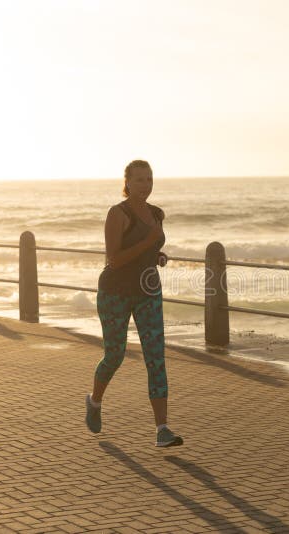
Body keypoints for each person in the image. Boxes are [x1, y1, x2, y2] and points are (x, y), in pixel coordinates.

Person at [85, 159, 183, 447]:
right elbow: (114, 259)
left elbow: (148, 248)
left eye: (149, 179)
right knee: (114, 355)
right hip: (115, 292)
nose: (146, 184)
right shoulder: (118, 213)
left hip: (148, 291)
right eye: (139, 179)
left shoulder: (156, 214)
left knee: (156, 357)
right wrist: (149, 242)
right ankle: (94, 401)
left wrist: (157, 254)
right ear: (127, 182)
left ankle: (162, 429)